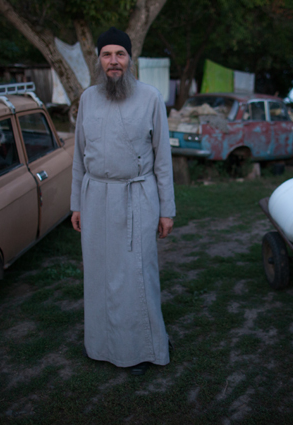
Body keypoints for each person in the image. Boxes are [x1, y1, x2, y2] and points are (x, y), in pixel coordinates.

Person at [70, 27, 175, 376]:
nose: (113, 61)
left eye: (120, 54)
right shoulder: (87, 99)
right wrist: (76, 204)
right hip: (96, 196)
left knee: (136, 276)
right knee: (99, 275)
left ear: (130, 59)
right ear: (98, 59)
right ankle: (101, 346)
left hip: (137, 197)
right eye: (107, 54)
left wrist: (167, 211)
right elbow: (78, 158)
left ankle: (143, 348)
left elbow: (162, 160)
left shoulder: (150, 98)